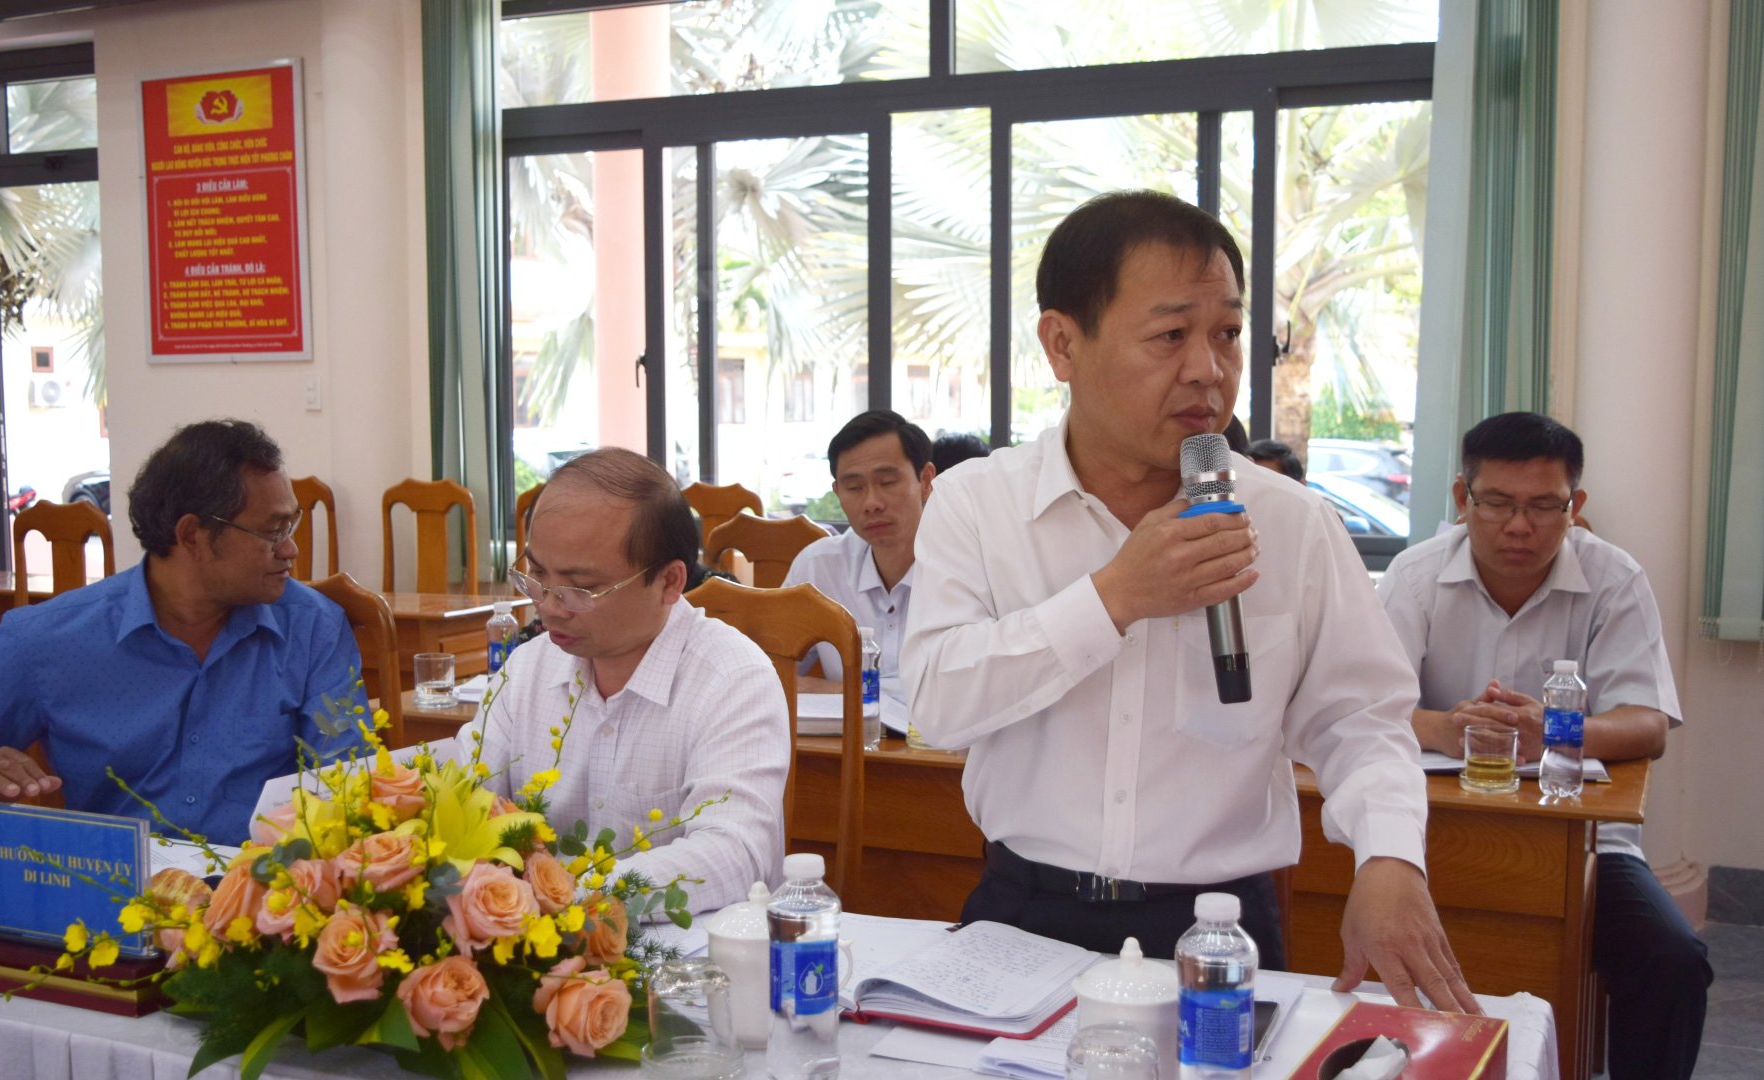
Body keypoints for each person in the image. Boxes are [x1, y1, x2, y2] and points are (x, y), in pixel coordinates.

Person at [903, 190, 1475, 1012]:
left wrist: (1388, 857)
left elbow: (1362, 719)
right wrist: (1114, 598)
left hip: (1218, 931)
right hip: (1023, 916)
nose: (1209, 369)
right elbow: (941, 702)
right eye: (1172, 335)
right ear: (1062, 343)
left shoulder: (1292, 523)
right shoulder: (976, 506)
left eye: (1229, 334)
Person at [1375, 411, 1711, 1078]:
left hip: (1579, 846)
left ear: (1574, 506)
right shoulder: (1414, 579)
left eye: (1542, 506)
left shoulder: (1614, 579)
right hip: (1431, 828)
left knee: (1673, 960)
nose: (1519, 526)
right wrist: (1445, 727)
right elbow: (1360, 709)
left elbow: (1648, 725)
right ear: (1462, 499)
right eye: (1497, 503)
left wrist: (1554, 731)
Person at [0, 419, 365, 845]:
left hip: (266, 893)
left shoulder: (313, 627)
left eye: (290, 527)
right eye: (272, 531)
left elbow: (347, 786)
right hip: (113, 895)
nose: (290, 549)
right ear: (192, 536)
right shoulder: (48, 641)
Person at [462, 448, 789, 912]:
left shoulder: (733, 679)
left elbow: (733, 856)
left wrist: (574, 896)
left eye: (581, 587)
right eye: (536, 575)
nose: (550, 606)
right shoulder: (527, 669)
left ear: (670, 582)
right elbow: (467, 798)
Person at [784, 411, 935, 711]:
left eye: (888, 482)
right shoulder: (819, 566)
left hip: (945, 755)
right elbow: (771, 674)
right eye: (854, 488)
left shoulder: (969, 564)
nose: (871, 503)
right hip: (851, 750)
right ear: (837, 492)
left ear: (926, 480)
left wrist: (842, 692)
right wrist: (861, 693)